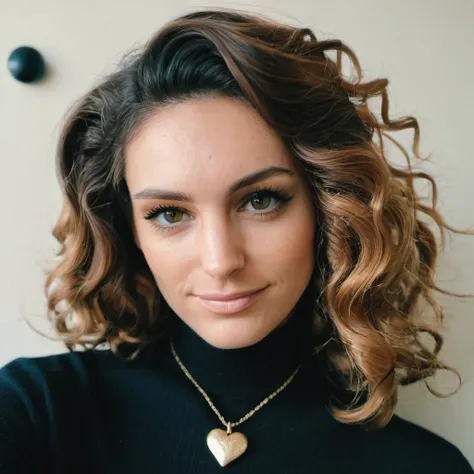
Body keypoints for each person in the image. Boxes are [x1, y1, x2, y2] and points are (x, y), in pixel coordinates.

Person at [0, 7, 472, 473]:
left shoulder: (424, 465)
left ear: (328, 206)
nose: (221, 260)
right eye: (169, 213)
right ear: (130, 229)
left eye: (261, 201)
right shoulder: (36, 410)